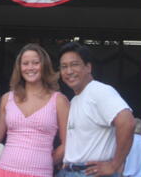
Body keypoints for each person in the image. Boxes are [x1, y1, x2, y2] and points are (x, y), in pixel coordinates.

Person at [0, 43, 70, 177]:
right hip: (4, 170)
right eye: (25, 63)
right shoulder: (7, 99)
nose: (30, 67)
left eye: (35, 63)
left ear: (44, 65)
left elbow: (68, 143)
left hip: (40, 173)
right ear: (19, 67)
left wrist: (46, 161)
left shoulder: (59, 101)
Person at [57, 42, 135, 177]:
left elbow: (127, 122)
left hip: (89, 172)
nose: (69, 71)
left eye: (74, 64)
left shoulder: (99, 91)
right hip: (71, 171)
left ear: (88, 67)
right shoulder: (75, 100)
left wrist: (114, 165)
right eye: (64, 67)